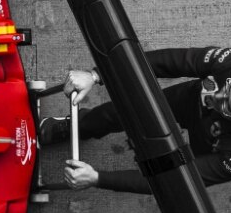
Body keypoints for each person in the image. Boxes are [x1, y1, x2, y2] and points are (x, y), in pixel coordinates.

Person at [38, 47, 231, 193]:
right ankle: (82, 124)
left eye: (225, 105)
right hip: (191, 99)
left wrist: (97, 178)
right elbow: (170, 61)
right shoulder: (228, 62)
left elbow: (177, 179)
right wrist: (95, 75)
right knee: (128, 110)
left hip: (211, 145)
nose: (218, 96)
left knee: (166, 165)